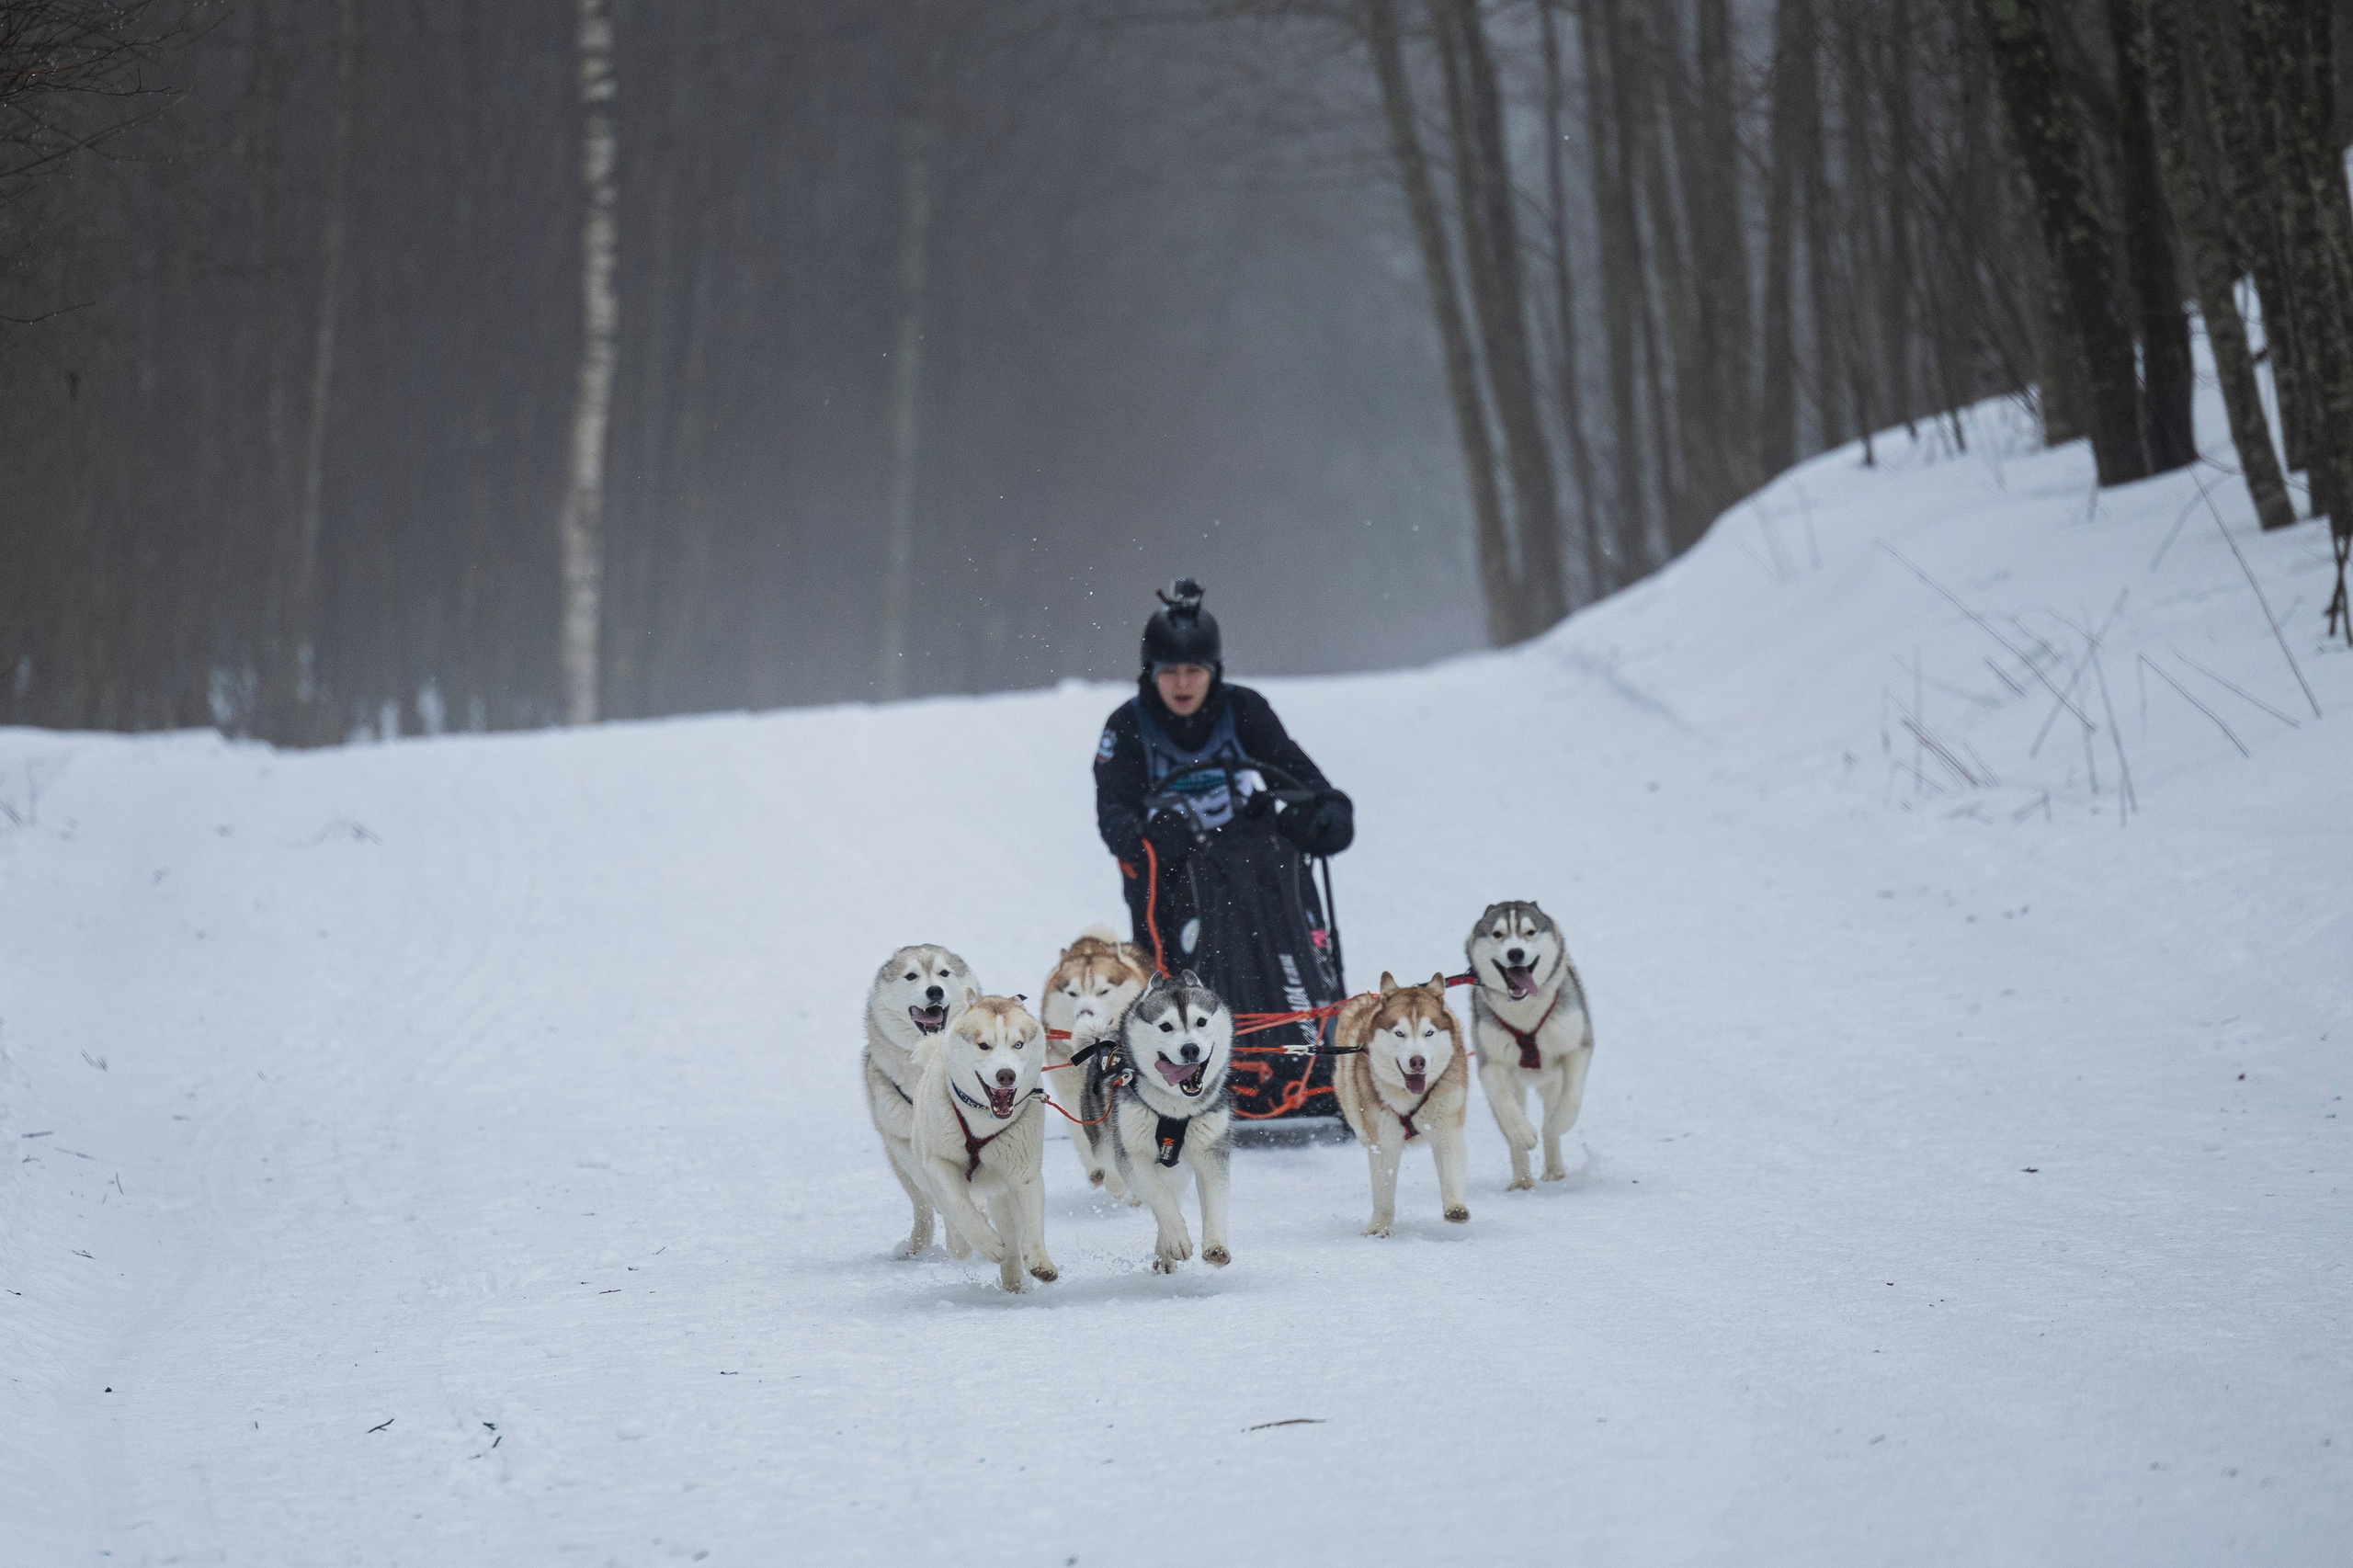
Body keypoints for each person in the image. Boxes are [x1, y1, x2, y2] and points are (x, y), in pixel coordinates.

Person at [1092, 578, 1355, 1119]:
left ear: (1214, 672)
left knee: (1273, 866)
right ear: (1152, 673)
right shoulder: (1126, 727)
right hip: (1177, 875)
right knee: (1206, 927)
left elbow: (1301, 776)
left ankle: (1311, 1046)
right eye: (1170, 672)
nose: (1183, 684)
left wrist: (1325, 811)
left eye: (1195, 671)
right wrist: (1147, 830)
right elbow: (1112, 812)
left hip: (1253, 865)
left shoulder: (1245, 711)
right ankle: (1200, 1057)